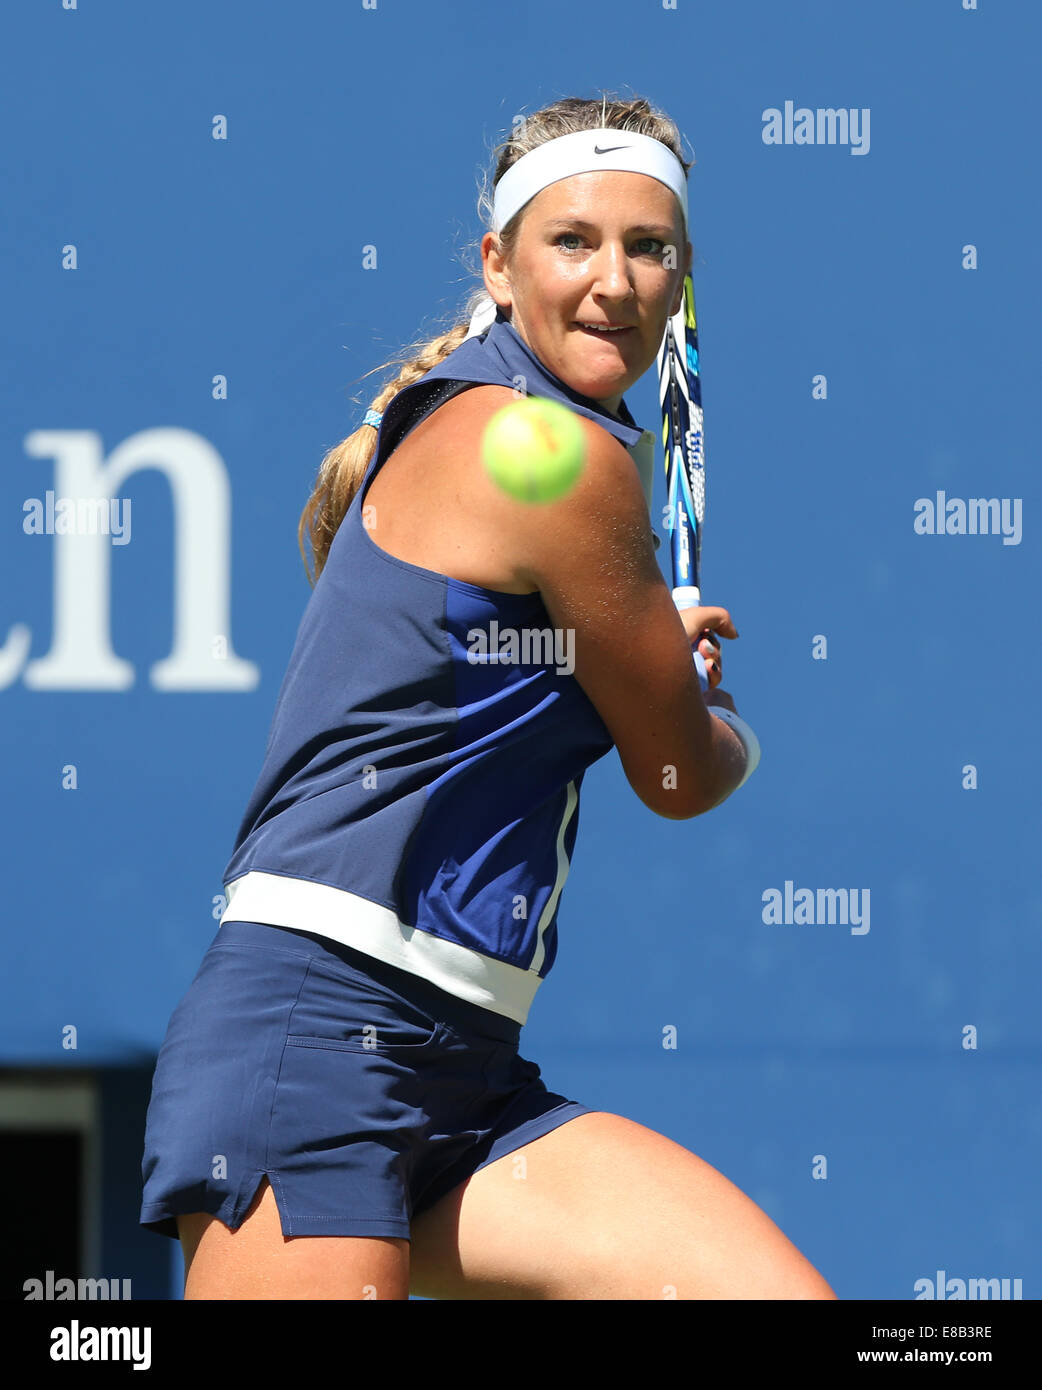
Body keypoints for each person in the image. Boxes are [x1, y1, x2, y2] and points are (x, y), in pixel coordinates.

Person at [140, 91, 837, 1301]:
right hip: (312, 1037)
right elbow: (676, 775)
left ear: (683, 277)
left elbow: (538, 647)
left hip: (465, 1066)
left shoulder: (534, 440)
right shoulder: (553, 457)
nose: (613, 281)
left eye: (647, 247)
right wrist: (711, 720)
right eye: (572, 241)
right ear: (498, 266)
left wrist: (629, 655)